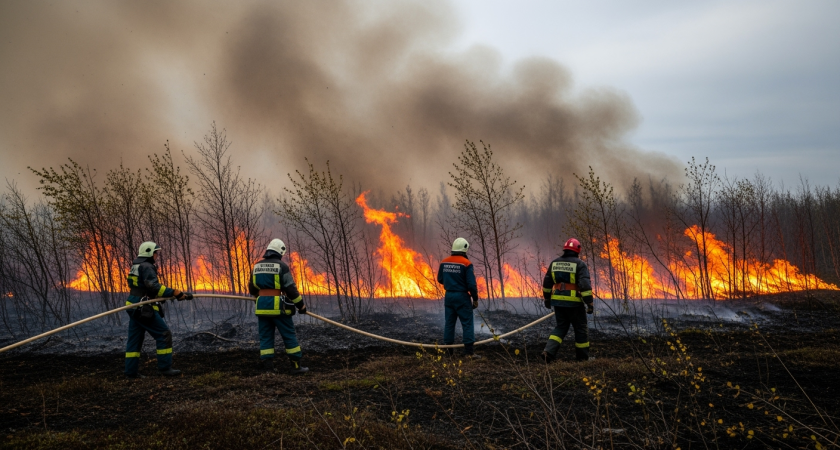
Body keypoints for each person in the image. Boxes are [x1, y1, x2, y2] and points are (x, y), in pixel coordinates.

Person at [125, 241, 193, 378]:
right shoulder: (147, 266)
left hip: (133, 304)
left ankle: (130, 373)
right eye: (156, 252)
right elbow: (154, 287)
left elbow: (143, 287)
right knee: (164, 334)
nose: (157, 255)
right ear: (150, 253)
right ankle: (165, 368)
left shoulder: (136, 265)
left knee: (135, 339)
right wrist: (174, 292)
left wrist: (181, 294)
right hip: (142, 307)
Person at [249, 239, 309, 374]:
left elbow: (252, 289)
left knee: (265, 337)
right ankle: (295, 366)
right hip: (279, 308)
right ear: (280, 252)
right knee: (288, 335)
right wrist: (301, 306)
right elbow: (290, 289)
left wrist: (260, 297)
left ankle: (268, 369)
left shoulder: (256, 266)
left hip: (262, 307)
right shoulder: (282, 266)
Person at [541, 238, 594, 362]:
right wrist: (589, 303)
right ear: (578, 251)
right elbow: (585, 286)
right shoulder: (580, 264)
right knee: (580, 329)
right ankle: (582, 359)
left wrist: (547, 299)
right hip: (574, 303)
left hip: (558, 302)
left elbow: (547, 284)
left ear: (564, 249)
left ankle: (548, 352)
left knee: (561, 327)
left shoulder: (554, 263)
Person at [437, 237, 481, 358]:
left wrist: (451, 282)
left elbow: (440, 279)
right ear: (464, 249)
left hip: (449, 296)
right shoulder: (467, 263)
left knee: (449, 323)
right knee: (467, 322)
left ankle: (449, 352)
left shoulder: (444, 262)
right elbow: (471, 284)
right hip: (462, 296)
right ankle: (469, 353)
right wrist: (475, 299)